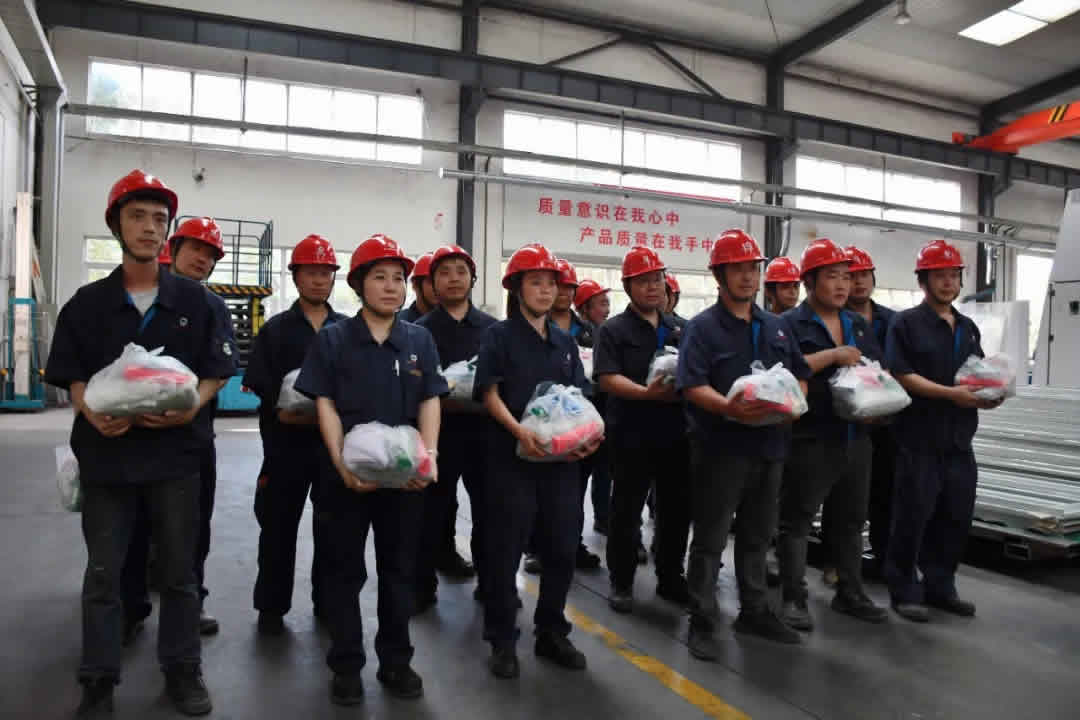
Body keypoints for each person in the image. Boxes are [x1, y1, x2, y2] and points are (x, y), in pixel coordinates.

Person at [45, 169, 236, 716]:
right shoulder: (87, 304)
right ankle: (99, 680)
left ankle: (182, 670)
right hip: (108, 459)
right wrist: (90, 410)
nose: (150, 227)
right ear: (116, 225)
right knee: (104, 573)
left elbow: (216, 371)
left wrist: (190, 406)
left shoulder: (199, 304)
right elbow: (72, 374)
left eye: (159, 219)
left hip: (176, 459)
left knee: (179, 573)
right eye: (137, 217)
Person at [295, 233, 446, 704]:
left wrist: (429, 457)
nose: (391, 286)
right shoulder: (334, 339)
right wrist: (341, 465)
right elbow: (325, 404)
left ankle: (396, 662)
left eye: (398, 278)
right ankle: (346, 665)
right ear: (359, 284)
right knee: (343, 573)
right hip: (345, 481)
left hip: (405, 480)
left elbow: (431, 401)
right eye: (379, 277)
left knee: (399, 572)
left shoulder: (419, 340)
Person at [677, 229, 810, 659]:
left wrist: (796, 402)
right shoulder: (702, 328)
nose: (748, 276)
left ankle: (754, 610)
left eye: (753, 268)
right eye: (737, 269)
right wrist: (729, 408)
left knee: (758, 535)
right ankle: (701, 618)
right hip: (721, 450)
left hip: (770, 448)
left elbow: (799, 374)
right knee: (711, 539)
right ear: (719, 275)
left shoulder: (777, 327)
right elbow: (692, 385)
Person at [474, 243, 601, 679]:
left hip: (561, 464)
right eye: (536, 282)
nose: (546, 291)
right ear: (517, 288)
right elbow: (489, 392)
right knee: (504, 551)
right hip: (511, 460)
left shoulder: (565, 342)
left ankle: (551, 631)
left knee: (562, 547)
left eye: (552, 283)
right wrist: (519, 432)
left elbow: (578, 397)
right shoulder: (498, 336)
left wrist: (586, 438)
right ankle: (502, 640)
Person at [121, 217, 232, 645]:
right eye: (196, 249)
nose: (202, 259)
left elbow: (220, 370)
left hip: (190, 438)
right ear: (175, 247)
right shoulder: (136, 298)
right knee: (132, 526)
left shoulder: (212, 307)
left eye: (210, 254)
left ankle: (191, 600)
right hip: (128, 437)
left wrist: (189, 408)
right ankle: (130, 606)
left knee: (193, 526)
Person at [884, 239, 1001, 623]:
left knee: (955, 516)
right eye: (940, 276)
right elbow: (902, 374)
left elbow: (977, 374)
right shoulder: (906, 324)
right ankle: (904, 590)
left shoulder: (967, 327)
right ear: (923, 280)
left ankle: (940, 586)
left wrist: (991, 394)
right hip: (919, 438)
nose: (948, 283)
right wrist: (951, 395)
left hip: (959, 440)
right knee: (913, 517)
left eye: (954, 275)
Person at [776, 238, 889, 632]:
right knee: (797, 520)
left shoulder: (857, 324)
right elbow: (783, 371)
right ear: (809, 282)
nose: (842, 285)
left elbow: (875, 367)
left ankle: (850, 592)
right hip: (811, 437)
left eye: (846, 277)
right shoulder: (789, 325)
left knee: (851, 520)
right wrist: (833, 356)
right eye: (832, 277)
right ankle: (793, 597)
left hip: (855, 436)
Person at [242, 234, 346, 635]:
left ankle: (328, 602)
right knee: (278, 528)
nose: (319, 280)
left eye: (326, 273)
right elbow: (265, 390)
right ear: (296, 277)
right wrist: (290, 415)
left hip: (333, 450)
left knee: (333, 529)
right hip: (285, 449)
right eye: (311, 272)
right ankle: (271, 606)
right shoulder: (276, 330)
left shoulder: (346, 330)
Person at [594, 247, 691, 614]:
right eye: (643, 281)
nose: (652, 287)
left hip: (676, 434)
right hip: (631, 434)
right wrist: (645, 394)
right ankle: (621, 582)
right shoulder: (613, 330)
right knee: (626, 510)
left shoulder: (681, 328)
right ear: (628, 286)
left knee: (675, 510)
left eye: (657, 279)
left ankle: (671, 577)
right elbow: (607, 378)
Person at [414, 244, 497, 613]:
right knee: (430, 511)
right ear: (432, 283)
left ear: (472, 279)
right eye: (444, 273)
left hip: (484, 435)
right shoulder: (418, 331)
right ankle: (421, 586)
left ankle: (491, 583)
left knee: (490, 512)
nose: (453, 279)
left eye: (461, 272)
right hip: (437, 435)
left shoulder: (494, 330)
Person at [526, 258, 601, 572]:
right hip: (537, 427)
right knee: (536, 494)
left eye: (570, 288)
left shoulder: (587, 332)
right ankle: (535, 547)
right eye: (561, 287)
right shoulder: (527, 329)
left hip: (575, 424)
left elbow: (590, 379)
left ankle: (572, 544)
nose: (564, 293)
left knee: (573, 494)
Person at [843, 245, 897, 575]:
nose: (859, 282)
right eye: (851, 276)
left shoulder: (893, 321)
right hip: (850, 422)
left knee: (886, 491)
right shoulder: (836, 321)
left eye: (864, 274)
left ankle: (883, 556)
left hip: (889, 422)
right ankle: (838, 563)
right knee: (845, 498)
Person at [574, 279, 613, 536]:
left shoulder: (609, 334)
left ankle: (603, 517)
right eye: (601, 304)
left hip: (606, 414)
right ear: (584, 308)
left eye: (607, 303)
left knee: (604, 471)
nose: (606, 310)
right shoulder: (574, 335)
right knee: (578, 477)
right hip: (581, 416)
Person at [398, 252, 435, 322]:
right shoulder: (398, 322)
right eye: (431, 282)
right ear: (415, 284)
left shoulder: (454, 321)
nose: (438, 287)